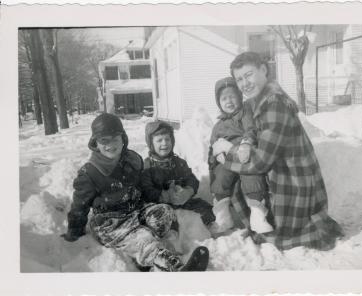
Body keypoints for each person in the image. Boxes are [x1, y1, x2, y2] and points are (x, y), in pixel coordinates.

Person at [212, 52, 343, 250]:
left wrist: (228, 152)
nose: (245, 83)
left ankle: (285, 224)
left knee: (276, 234)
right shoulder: (258, 101)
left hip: (293, 181)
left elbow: (260, 162)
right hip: (282, 172)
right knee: (238, 180)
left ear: (264, 70)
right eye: (239, 79)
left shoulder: (274, 105)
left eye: (248, 75)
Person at [61, 113, 208, 271]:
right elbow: (79, 206)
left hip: (135, 211)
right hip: (110, 223)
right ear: (95, 142)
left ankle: (164, 250)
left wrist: (163, 199)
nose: (111, 145)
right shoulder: (90, 173)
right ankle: (174, 267)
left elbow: (142, 187)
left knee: (165, 212)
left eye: (115, 139)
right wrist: (74, 232)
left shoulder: (133, 160)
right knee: (142, 237)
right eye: (104, 140)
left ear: (123, 139)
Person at [208, 76, 273, 234]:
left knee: (251, 174)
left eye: (232, 96)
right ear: (219, 103)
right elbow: (213, 144)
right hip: (226, 159)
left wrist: (246, 142)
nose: (228, 101)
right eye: (224, 98)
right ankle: (223, 217)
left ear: (239, 96)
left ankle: (258, 217)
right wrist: (215, 156)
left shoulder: (245, 113)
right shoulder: (218, 125)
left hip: (244, 154)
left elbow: (251, 129)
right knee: (220, 176)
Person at [140, 120, 215, 227]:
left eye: (167, 139)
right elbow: (146, 189)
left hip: (182, 201)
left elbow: (191, 179)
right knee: (160, 219)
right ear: (151, 143)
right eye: (159, 140)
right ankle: (172, 237)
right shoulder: (147, 166)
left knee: (207, 208)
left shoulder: (179, 162)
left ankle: (206, 230)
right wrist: (164, 196)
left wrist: (188, 191)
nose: (164, 143)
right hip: (159, 205)